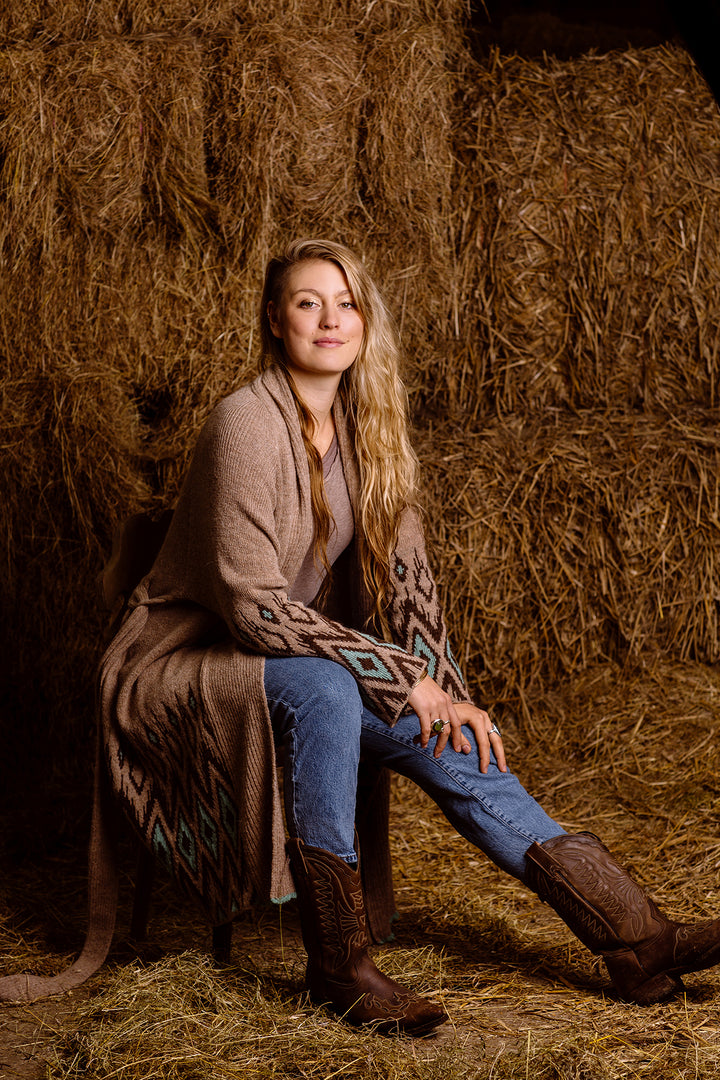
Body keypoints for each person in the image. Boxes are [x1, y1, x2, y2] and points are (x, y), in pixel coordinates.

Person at [2, 239, 719, 1028]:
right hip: (183, 662)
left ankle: (636, 938)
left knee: (451, 743)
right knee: (330, 685)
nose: (330, 318)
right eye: (309, 302)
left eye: (346, 303)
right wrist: (394, 673)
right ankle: (338, 967)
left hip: (303, 660)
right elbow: (253, 608)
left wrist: (446, 694)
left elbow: (411, 596)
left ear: (366, 323)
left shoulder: (370, 426)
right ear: (276, 321)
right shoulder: (245, 421)